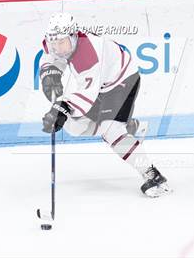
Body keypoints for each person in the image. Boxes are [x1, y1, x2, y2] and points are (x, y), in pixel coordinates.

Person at [39, 12, 171, 197]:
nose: (58, 48)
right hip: (102, 84)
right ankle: (131, 128)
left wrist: (61, 109)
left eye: (62, 43)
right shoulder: (58, 44)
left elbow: (87, 95)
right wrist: (49, 74)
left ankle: (152, 175)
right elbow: (51, 56)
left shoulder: (88, 55)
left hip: (122, 81)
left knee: (111, 131)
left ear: (74, 36)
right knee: (75, 126)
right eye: (55, 43)